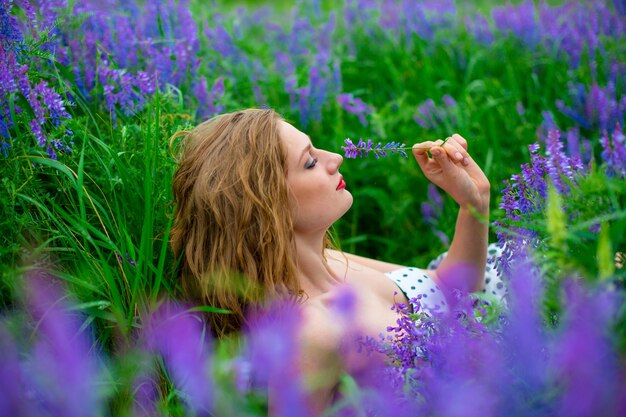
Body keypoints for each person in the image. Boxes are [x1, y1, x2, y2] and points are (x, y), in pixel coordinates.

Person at [169, 108, 503, 414]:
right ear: (268, 206)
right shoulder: (311, 334)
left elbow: (452, 289)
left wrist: (474, 203)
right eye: (310, 162)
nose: (336, 157)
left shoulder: (333, 262)